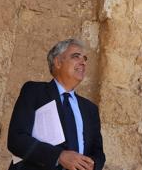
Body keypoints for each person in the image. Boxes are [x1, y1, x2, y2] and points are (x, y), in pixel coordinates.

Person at [7, 39, 105, 170]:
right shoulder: (34, 92)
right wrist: (59, 156)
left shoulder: (90, 109)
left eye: (85, 59)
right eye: (76, 56)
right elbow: (16, 139)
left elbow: (98, 153)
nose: (83, 62)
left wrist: (92, 165)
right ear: (58, 62)